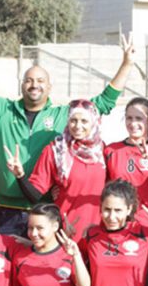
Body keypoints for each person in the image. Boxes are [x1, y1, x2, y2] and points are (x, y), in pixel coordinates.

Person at [0, 15, 135, 235]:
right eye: (29, 80)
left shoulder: (65, 116)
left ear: (49, 87)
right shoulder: (2, 111)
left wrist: (127, 64)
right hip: (7, 210)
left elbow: (103, 102)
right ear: (22, 85)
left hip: (46, 211)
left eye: (40, 81)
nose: (34, 85)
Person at [7, 98, 107, 239]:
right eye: (73, 120)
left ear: (94, 122)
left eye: (84, 121)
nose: (78, 126)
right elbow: (35, 195)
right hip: (67, 232)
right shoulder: (56, 150)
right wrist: (20, 175)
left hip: (100, 233)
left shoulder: (102, 151)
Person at [103, 97, 148, 228]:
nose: (133, 123)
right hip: (119, 223)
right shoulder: (111, 150)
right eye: (129, 118)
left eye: (138, 118)